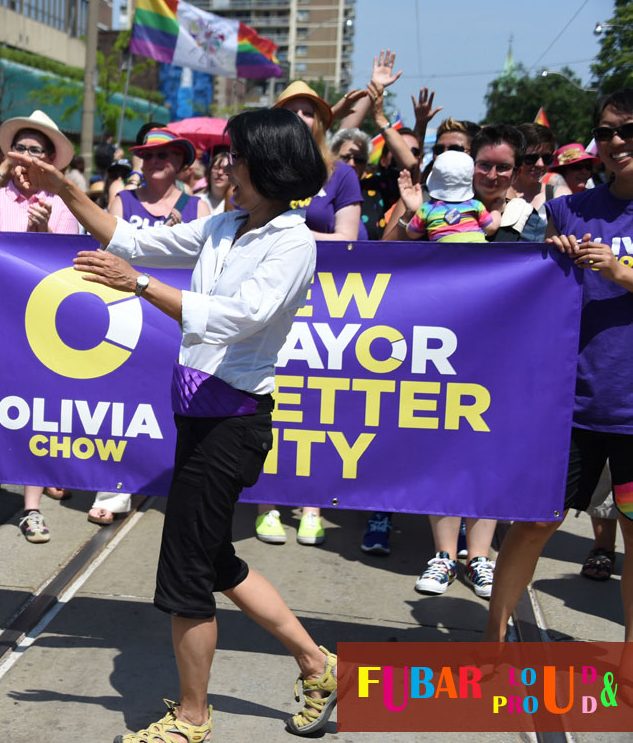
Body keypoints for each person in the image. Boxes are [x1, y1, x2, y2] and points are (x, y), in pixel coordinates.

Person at [10, 107, 339, 738]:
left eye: (236, 157)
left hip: (232, 424)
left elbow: (240, 316)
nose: (225, 166)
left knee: (187, 574)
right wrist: (64, 188)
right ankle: (317, 664)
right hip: (195, 416)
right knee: (214, 561)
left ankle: (192, 718)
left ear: (267, 164)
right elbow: (131, 239)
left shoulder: (293, 241)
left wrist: (137, 286)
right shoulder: (227, 224)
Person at [484, 89, 633, 645]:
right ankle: (493, 641)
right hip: (569, 404)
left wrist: (621, 274)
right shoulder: (569, 209)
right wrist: (552, 252)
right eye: (607, 131)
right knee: (535, 524)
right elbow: (532, 295)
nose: (616, 141)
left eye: (628, 129)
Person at [389, 125, 517, 598]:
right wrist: (409, 212)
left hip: (500, 352)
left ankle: (480, 557)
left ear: (516, 171)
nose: (491, 172)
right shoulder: (453, 211)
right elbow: (397, 249)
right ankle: (444, 555)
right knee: (441, 444)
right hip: (440, 345)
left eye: (502, 166)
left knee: (490, 449)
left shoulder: (536, 214)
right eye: (482, 163)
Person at [0, 110, 78, 548]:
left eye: (36, 150)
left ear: (51, 161)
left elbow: (65, 272)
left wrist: (41, 236)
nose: (26, 157)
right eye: (20, 148)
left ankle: (32, 508)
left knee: (34, 413)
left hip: (42, 329)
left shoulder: (61, 207)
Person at [256, 81, 361, 548]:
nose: (302, 119)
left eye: (309, 112)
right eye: (292, 111)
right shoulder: (261, 170)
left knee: (317, 404)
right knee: (266, 397)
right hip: (267, 301)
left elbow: (349, 239)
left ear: (323, 121)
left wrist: (290, 240)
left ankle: (312, 504)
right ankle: (266, 503)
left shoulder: (340, 174)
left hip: (327, 305)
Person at [403, 151, 500, 242]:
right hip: (477, 252)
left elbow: (412, 233)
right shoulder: (475, 205)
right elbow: (491, 228)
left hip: (445, 255)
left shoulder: (427, 209)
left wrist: (412, 212)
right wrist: (496, 210)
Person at [494, 123, 556, 242]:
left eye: (547, 158)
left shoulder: (558, 195)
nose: (540, 164)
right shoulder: (494, 193)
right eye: (531, 158)